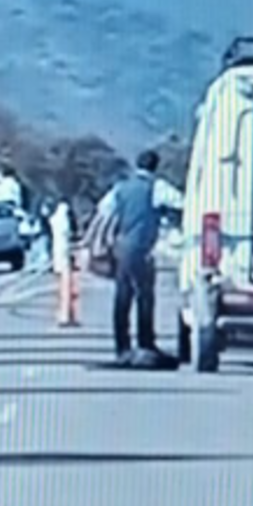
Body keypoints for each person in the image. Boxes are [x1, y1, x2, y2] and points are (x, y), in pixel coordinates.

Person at [99, 150, 183, 366]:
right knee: (145, 297)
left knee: (122, 298)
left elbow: (105, 208)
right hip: (142, 248)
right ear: (155, 166)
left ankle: (122, 347)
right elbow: (180, 202)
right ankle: (146, 343)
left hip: (122, 245)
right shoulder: (157, 187)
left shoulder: (121, 187)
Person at [50, 199, 80, 327]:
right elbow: (69, 236)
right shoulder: (64, 219)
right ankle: (65, 316)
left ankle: (67, 314)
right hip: (65, 255)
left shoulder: (55, 218)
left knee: (64, 288)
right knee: (67, 289)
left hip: (59, 255)